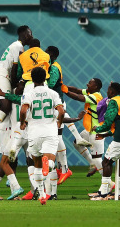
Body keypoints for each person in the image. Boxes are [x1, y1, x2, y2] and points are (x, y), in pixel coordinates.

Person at [45, 46, 92, 186]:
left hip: (56, 104)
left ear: (52, 54)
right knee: (57, 137)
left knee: (57, 137)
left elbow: (52, 84)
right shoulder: (51, 66)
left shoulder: (53, 68)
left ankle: (64, 169)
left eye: (47, 53)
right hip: (55, 104)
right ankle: (62, 168)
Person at [20, 67, 65, 205]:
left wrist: (22, 122)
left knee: (37, 166)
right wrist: (59, 121)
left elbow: (23, 110)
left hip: (34, 132)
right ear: (45, 77)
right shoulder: (53, 93)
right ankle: (49, 165)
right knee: (50, 161)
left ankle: (42, 195)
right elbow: (61, 111)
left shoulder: (29, 94)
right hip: (50, 131)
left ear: (32, 79)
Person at [0, 25, 33, 146]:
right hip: (1, 74)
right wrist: (16, 82)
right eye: (30, 33)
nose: (31, 36)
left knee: (0, 106)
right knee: (6, 106)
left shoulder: (16, 45)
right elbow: (14, 68)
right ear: (25, 34)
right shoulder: (19, 46)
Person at [91, 82, 120, 200]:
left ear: (112, 92)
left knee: (106, 162)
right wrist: (106, 135)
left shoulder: (113, 102)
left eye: (108, 90)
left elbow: (108, 122)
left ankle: (103, 193)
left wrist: (99, 129)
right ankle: (118, 192)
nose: (107, 92)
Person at [63, 78, 105, 178]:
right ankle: (92, 163)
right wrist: (63, 86)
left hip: (97, 131)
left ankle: (107, 183)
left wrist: (66, 91)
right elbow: (77, 90)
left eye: (90, 83)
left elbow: (78, 97)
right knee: (77, 143)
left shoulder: (96, 96)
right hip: (90, 130)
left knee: (98, 159)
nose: (87, 84)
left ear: (95, 87)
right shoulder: (91, 92)